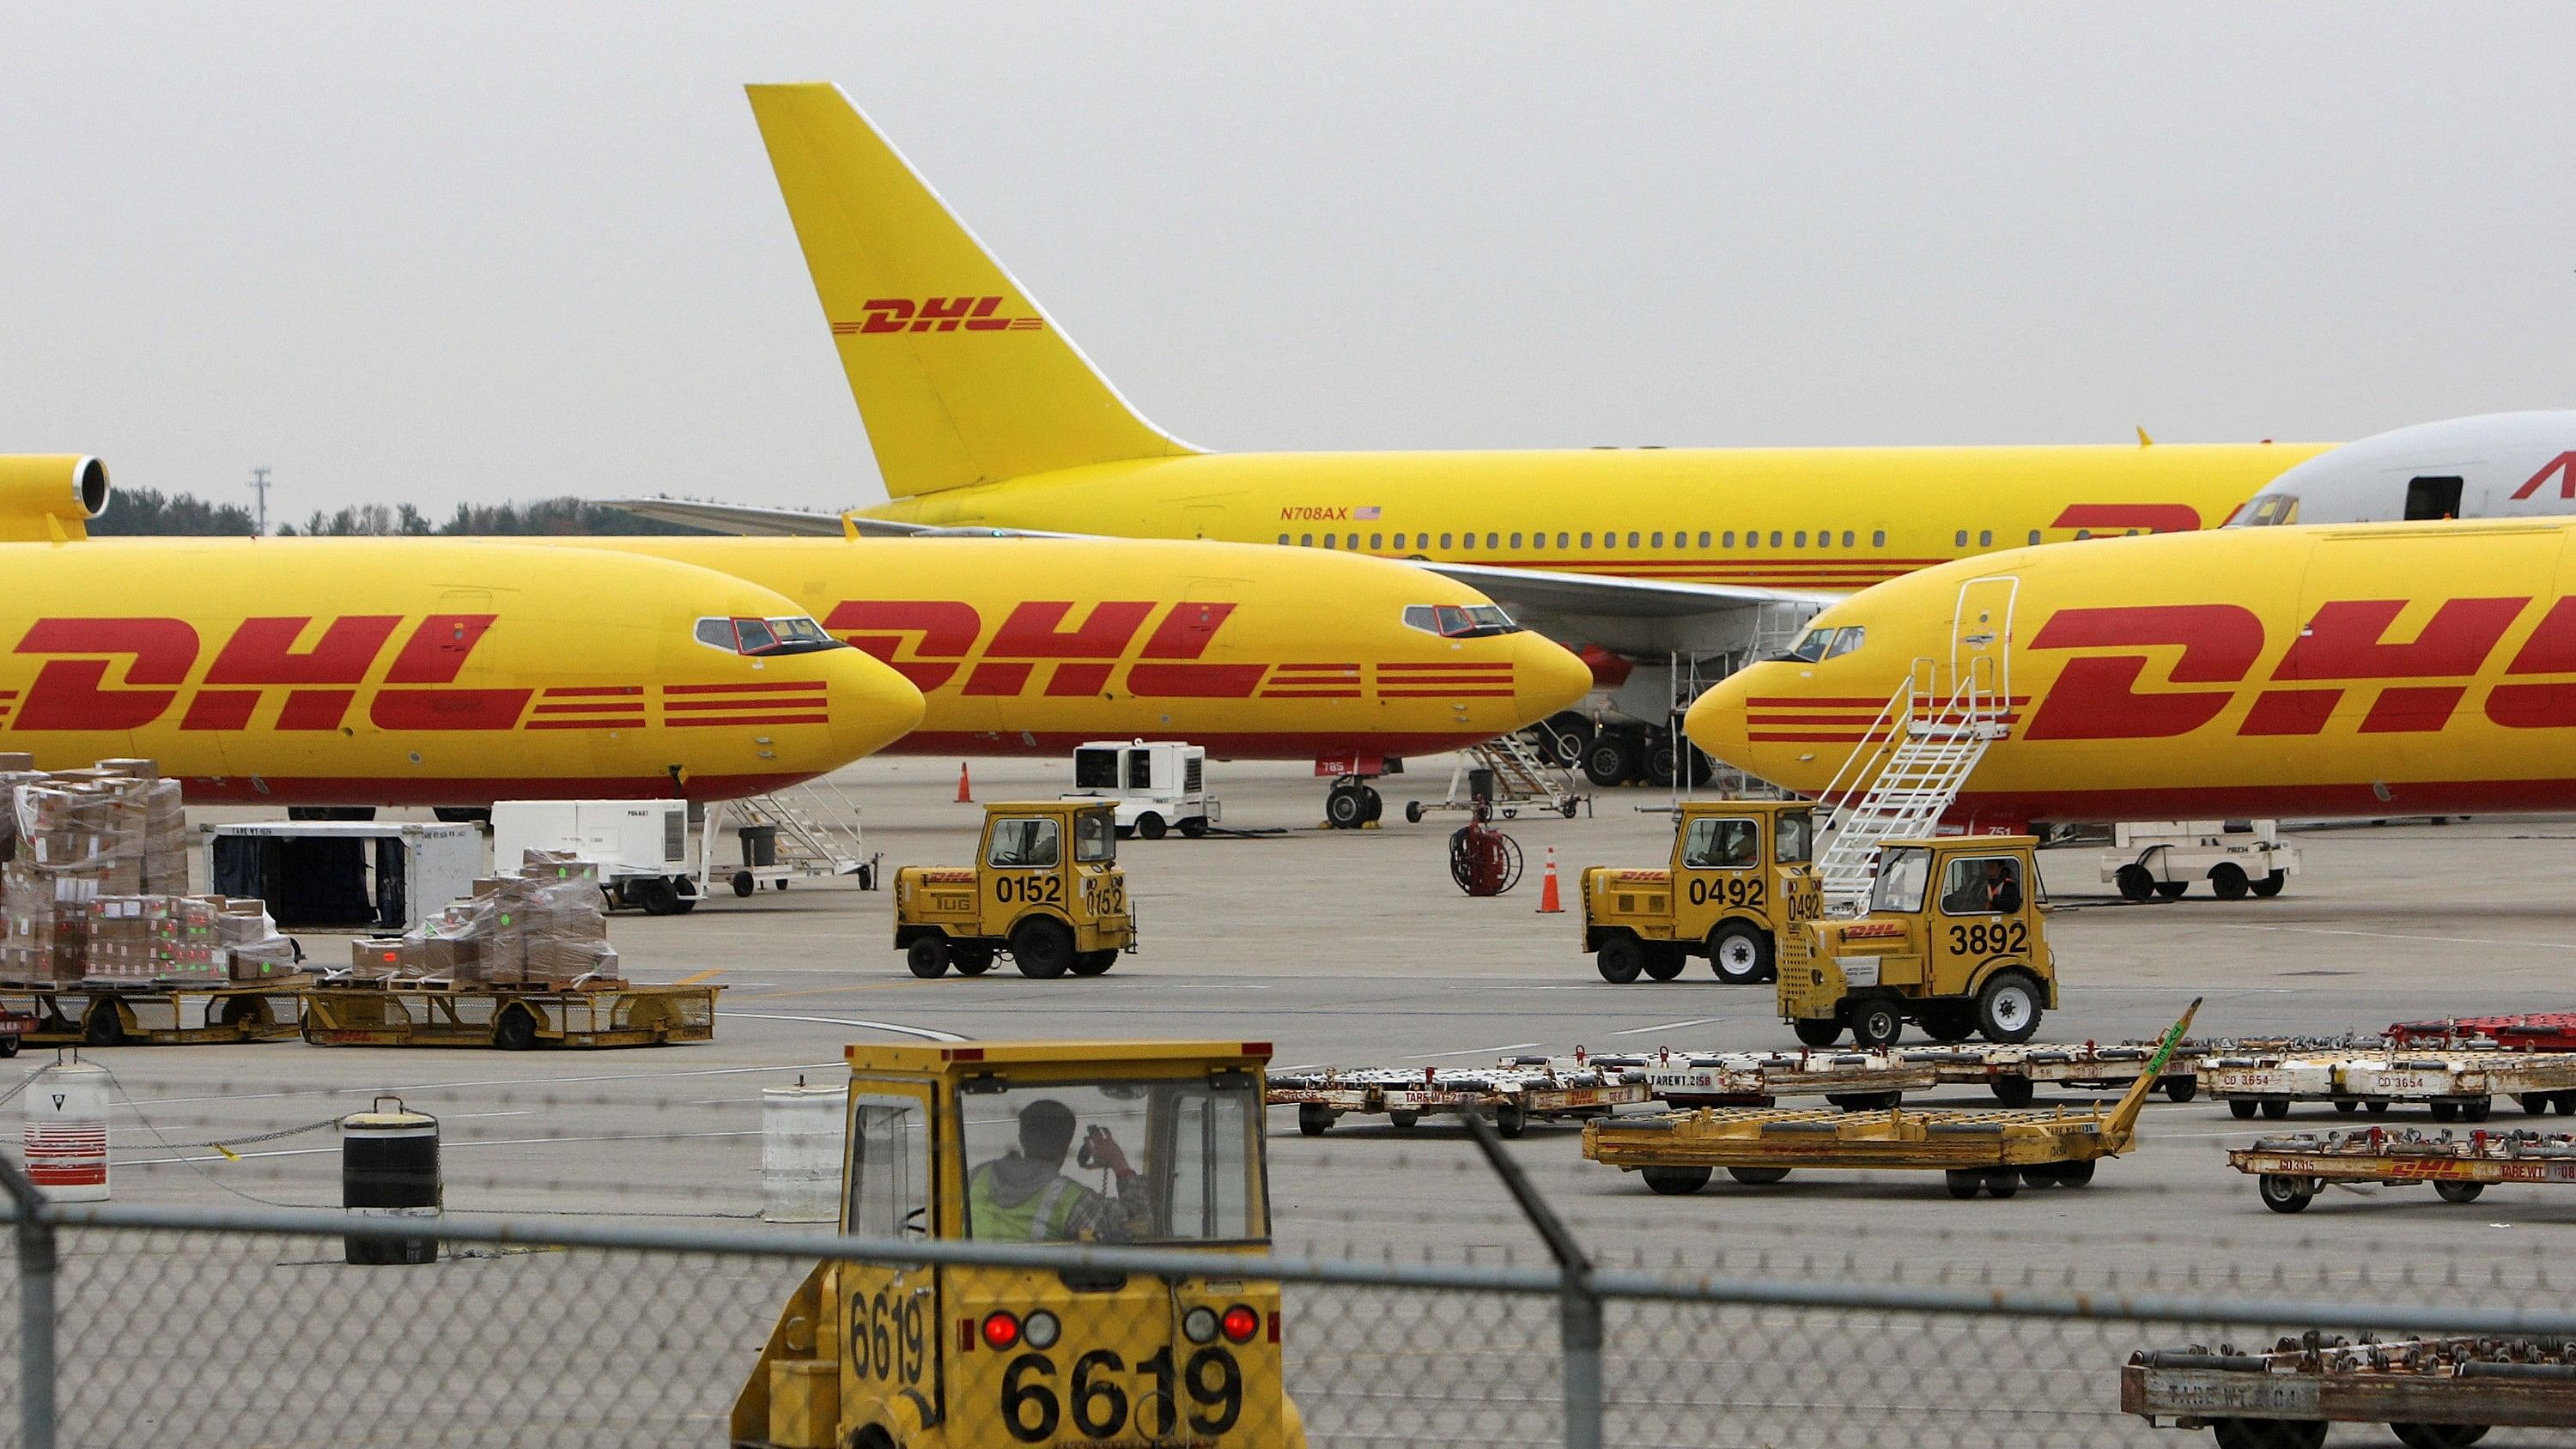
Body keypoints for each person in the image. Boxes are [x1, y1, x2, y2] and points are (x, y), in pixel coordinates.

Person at [967, 1099, 1147, 1242]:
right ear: (1067, 1145)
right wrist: (1118, 1162)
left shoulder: (975, 1177)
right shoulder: (1069, 1198)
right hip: (1031, 1287)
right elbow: (1142, 1227)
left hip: (965, 1283)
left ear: (1021, 1138)